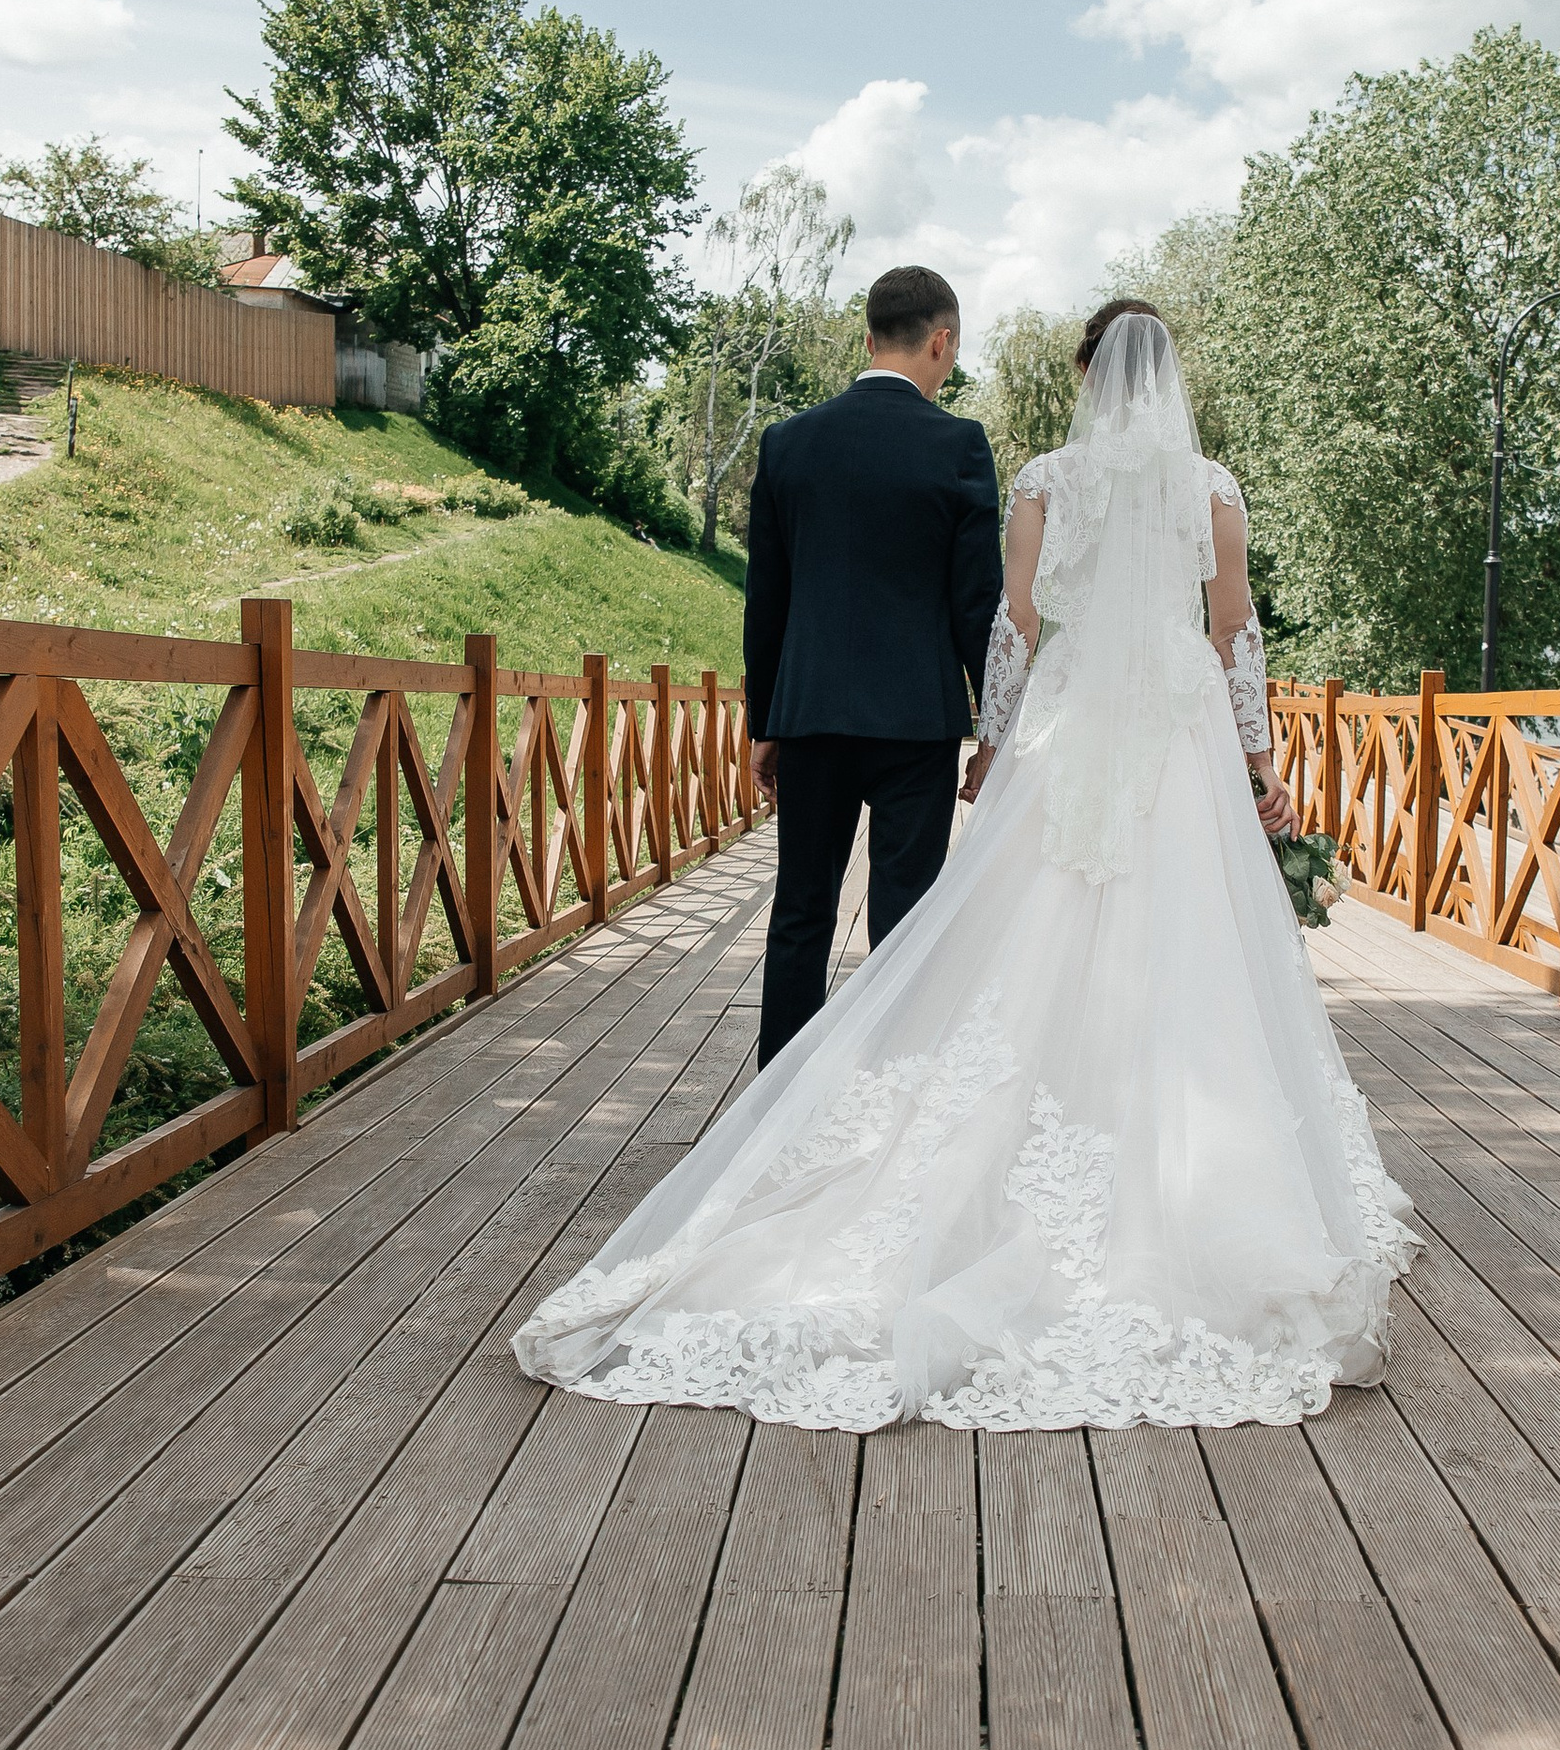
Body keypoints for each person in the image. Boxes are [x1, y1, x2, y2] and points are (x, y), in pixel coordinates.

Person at [514, 299, 1415, 1434]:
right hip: (1177, 731)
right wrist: (1256, 757)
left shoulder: (1044, 474)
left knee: (1013, 925)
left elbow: (1015, 621)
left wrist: (994, 741)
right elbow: (1234, 630)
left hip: (1072, 719)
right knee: (1190, 934)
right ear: (1166, 378)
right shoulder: (1212, 488)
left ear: (1088, 375)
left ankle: (862, 1119)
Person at [740, 260, 1004, 1069]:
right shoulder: (958, 444)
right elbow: (975, 605)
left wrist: (764, 723)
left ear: (866, 339)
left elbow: (767, 600)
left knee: (801, 911)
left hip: (811, 712)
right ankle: (891, 1089)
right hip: (916, 719)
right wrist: (992, 724)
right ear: (941, 340)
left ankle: (779, 1097)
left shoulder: (789, 443)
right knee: (907, 913)